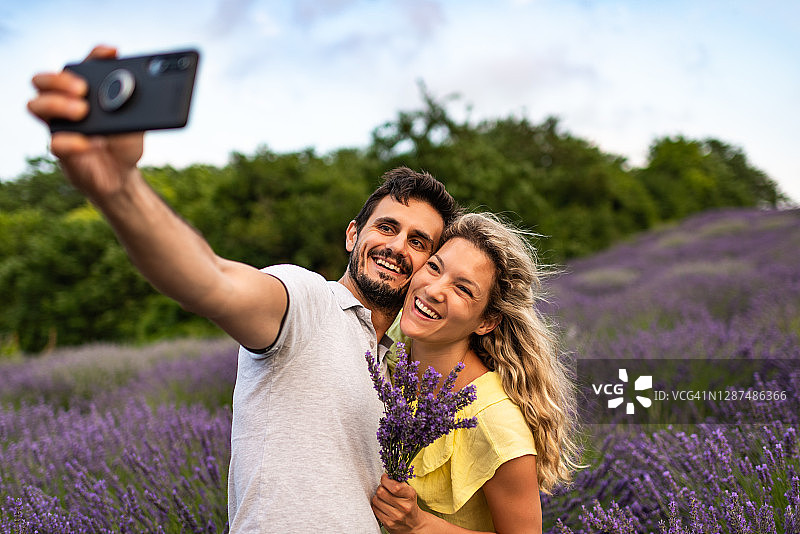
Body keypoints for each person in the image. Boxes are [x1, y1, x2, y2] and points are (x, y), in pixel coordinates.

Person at [27, 45, 460, 532]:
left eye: (418, 241)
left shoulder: (399, 369)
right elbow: (209, 281)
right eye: (386, 227)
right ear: (352, 235)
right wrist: (118, 189)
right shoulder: (307, 303)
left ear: (430, 264)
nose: (398, 246)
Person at [370, 213, 582, 533]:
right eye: (435, 267)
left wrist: (419, 525)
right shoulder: (391, 349)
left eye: (463, 289)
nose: (433, 290)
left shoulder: (495, 424)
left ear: (486, 321)